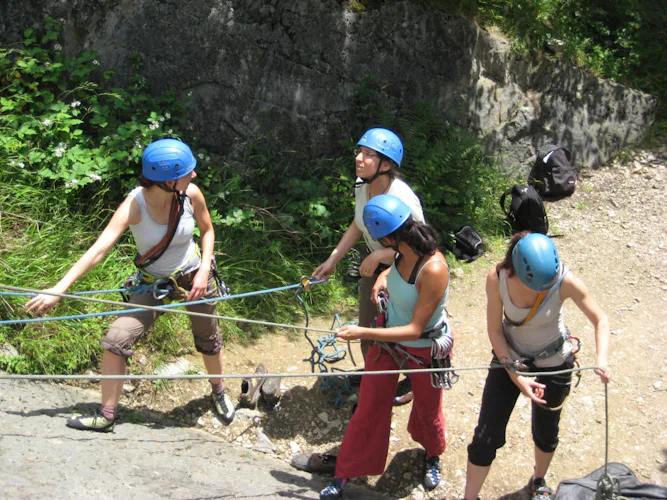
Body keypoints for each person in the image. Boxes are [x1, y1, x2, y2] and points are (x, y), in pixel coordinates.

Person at [25, 138, 235, 431]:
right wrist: (58, 289)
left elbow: (208, 230)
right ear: (170, 180)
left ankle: (218, 391)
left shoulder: (191, 194)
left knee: (207, 339)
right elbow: (97, 251)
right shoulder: (134, 206)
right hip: (153, 285)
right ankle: (107, 414)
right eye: (189, 171)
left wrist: (203, 272)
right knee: (115, 340)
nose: (195, 175)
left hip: (193, 278)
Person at [319, 194, 452, 499]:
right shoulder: (402, 250)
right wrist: (382, 275)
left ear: (390, 236)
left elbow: (416, 329)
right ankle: (344, 473)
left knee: (428, 410)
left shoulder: (434, 268)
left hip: (422, 347)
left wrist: (362, 332)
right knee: (368, 407)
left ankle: (432, 453)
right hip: (389, 340)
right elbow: (396, 265)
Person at [463, 232, 612, 499]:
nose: (543, 290)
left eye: (548, 284)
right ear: (516, 270)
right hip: (510, 357)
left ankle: (538, 480)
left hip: (554, 364)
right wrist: (516, 375)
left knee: (546, 430)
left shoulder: (564, 281)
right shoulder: (497, 279)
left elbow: (600, 319)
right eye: (536, 285)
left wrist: (601, 360)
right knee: (486, 435)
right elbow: (496, 332)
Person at [313, 127, 423, 405]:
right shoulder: (362, 187)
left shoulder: (403, 200)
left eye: (368, 154)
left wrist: (382, 260)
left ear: (385, 165)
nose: (359, 158)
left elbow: (421, 248)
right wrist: (332, 260)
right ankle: (376, 377)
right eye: (359, 152)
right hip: (375, 264)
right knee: (368, 327)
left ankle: (411, 380)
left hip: (408, 270)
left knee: (404, 329)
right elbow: (358, 224)